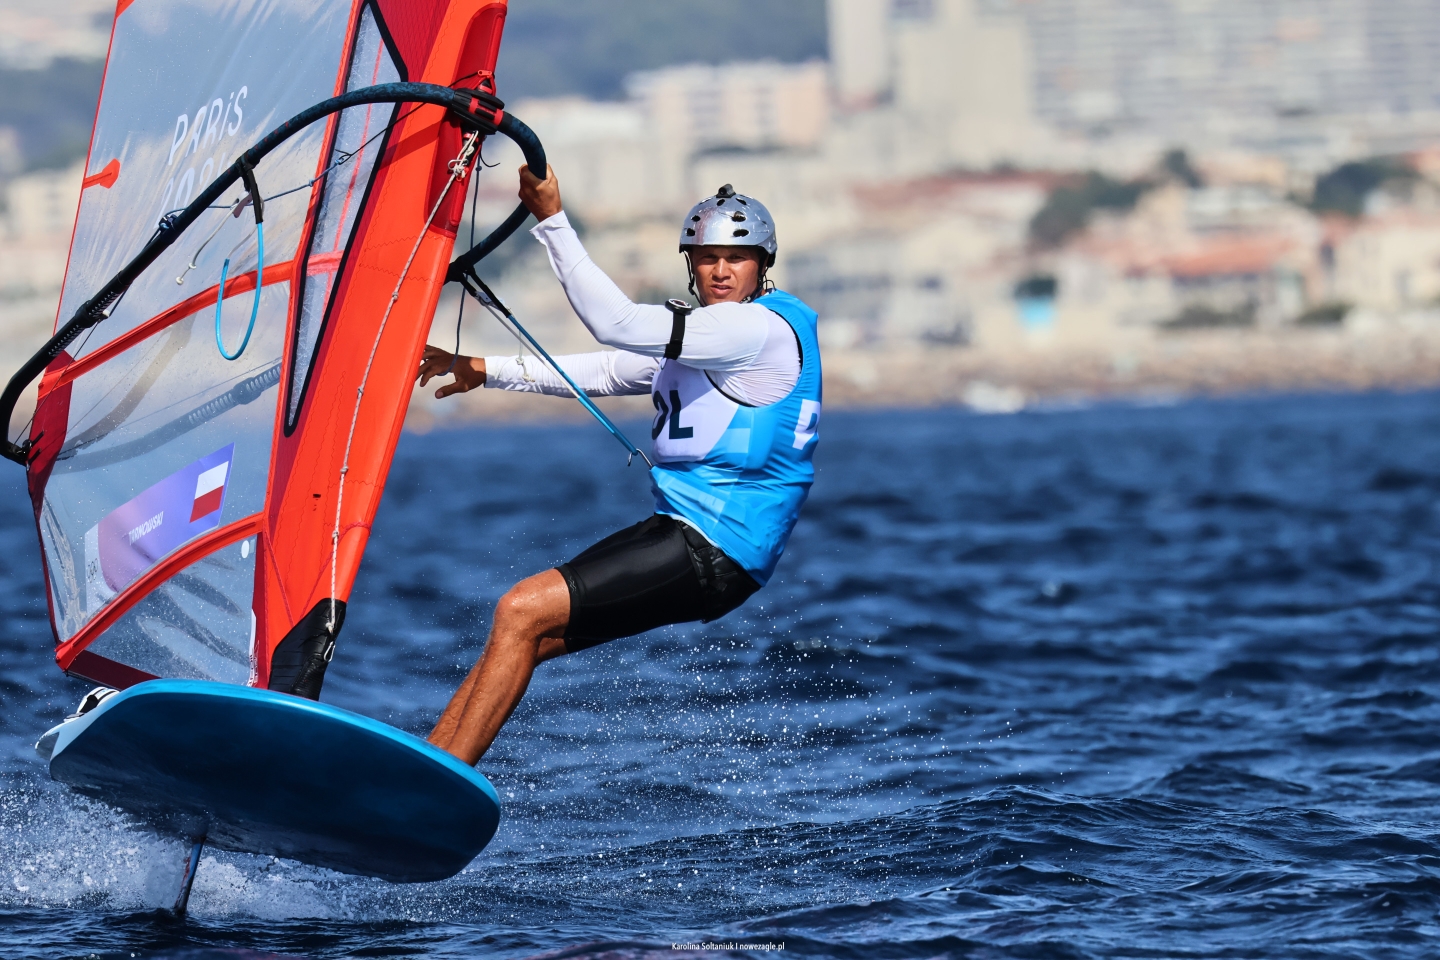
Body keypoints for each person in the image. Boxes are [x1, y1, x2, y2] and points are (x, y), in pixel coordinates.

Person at [418, 165, 822, 765]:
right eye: (706, 257)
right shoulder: (711, 336)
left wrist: (552, 219)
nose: (719, 270)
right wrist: (484, 368)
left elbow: (619, 324)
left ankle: (437, 783)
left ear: (763, 264)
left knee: (519, 608)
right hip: (680, 530)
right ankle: (426, 765)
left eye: (736, 258)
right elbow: (610, 369)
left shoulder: (755, 329)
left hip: (718, 548)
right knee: (525, 633)